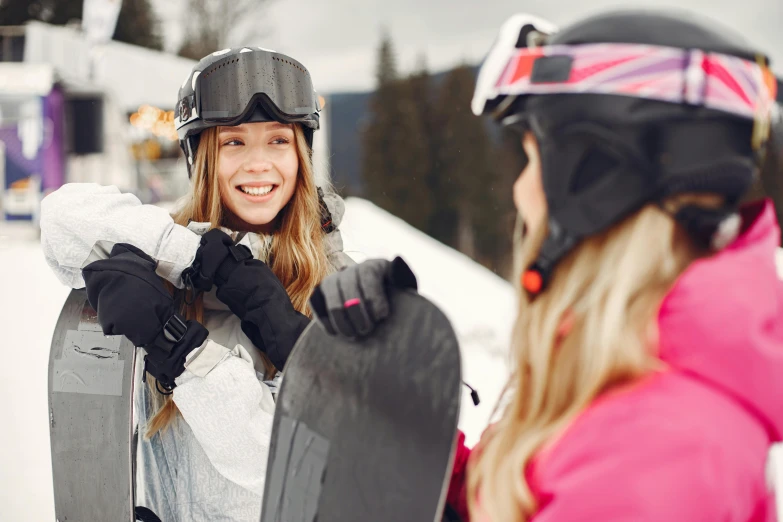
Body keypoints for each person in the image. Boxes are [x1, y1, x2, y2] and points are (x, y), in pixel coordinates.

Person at [311, 10, 783, 522]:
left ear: (598, 183)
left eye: (534, 159)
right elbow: (506, 497)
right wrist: (388, 384)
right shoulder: (633, 384)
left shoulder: (659, 458)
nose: (519, 189)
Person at [40, 47, 352, 521]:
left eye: (277, 141)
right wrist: (201, 259)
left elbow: (290, 466)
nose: (258, 163)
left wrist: (181, 350)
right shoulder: (170, 254)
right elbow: (62, 220)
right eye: (233, 143)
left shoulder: (340, 285)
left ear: (301, 155)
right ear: (201, 155)